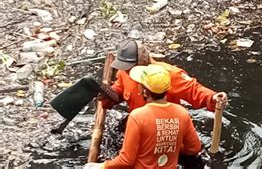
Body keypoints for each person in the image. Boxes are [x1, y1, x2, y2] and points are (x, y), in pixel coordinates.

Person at [84, 64, 202, 168]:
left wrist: (101, 166)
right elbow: (194, 148)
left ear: (145, 91)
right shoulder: (182, 113)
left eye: (139, 84)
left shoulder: (137, 116)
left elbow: (126, 161)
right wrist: (170, 146)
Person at [100, 40, 228, 113]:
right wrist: (108, 94)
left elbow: (194, 89)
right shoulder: (124, 73)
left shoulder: (167, 73)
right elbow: (119, 90)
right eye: (123, 66)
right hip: (139, 124)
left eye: (129, 66)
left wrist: (212, 97)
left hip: (167, 127)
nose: (126, 70)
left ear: (142, 61)